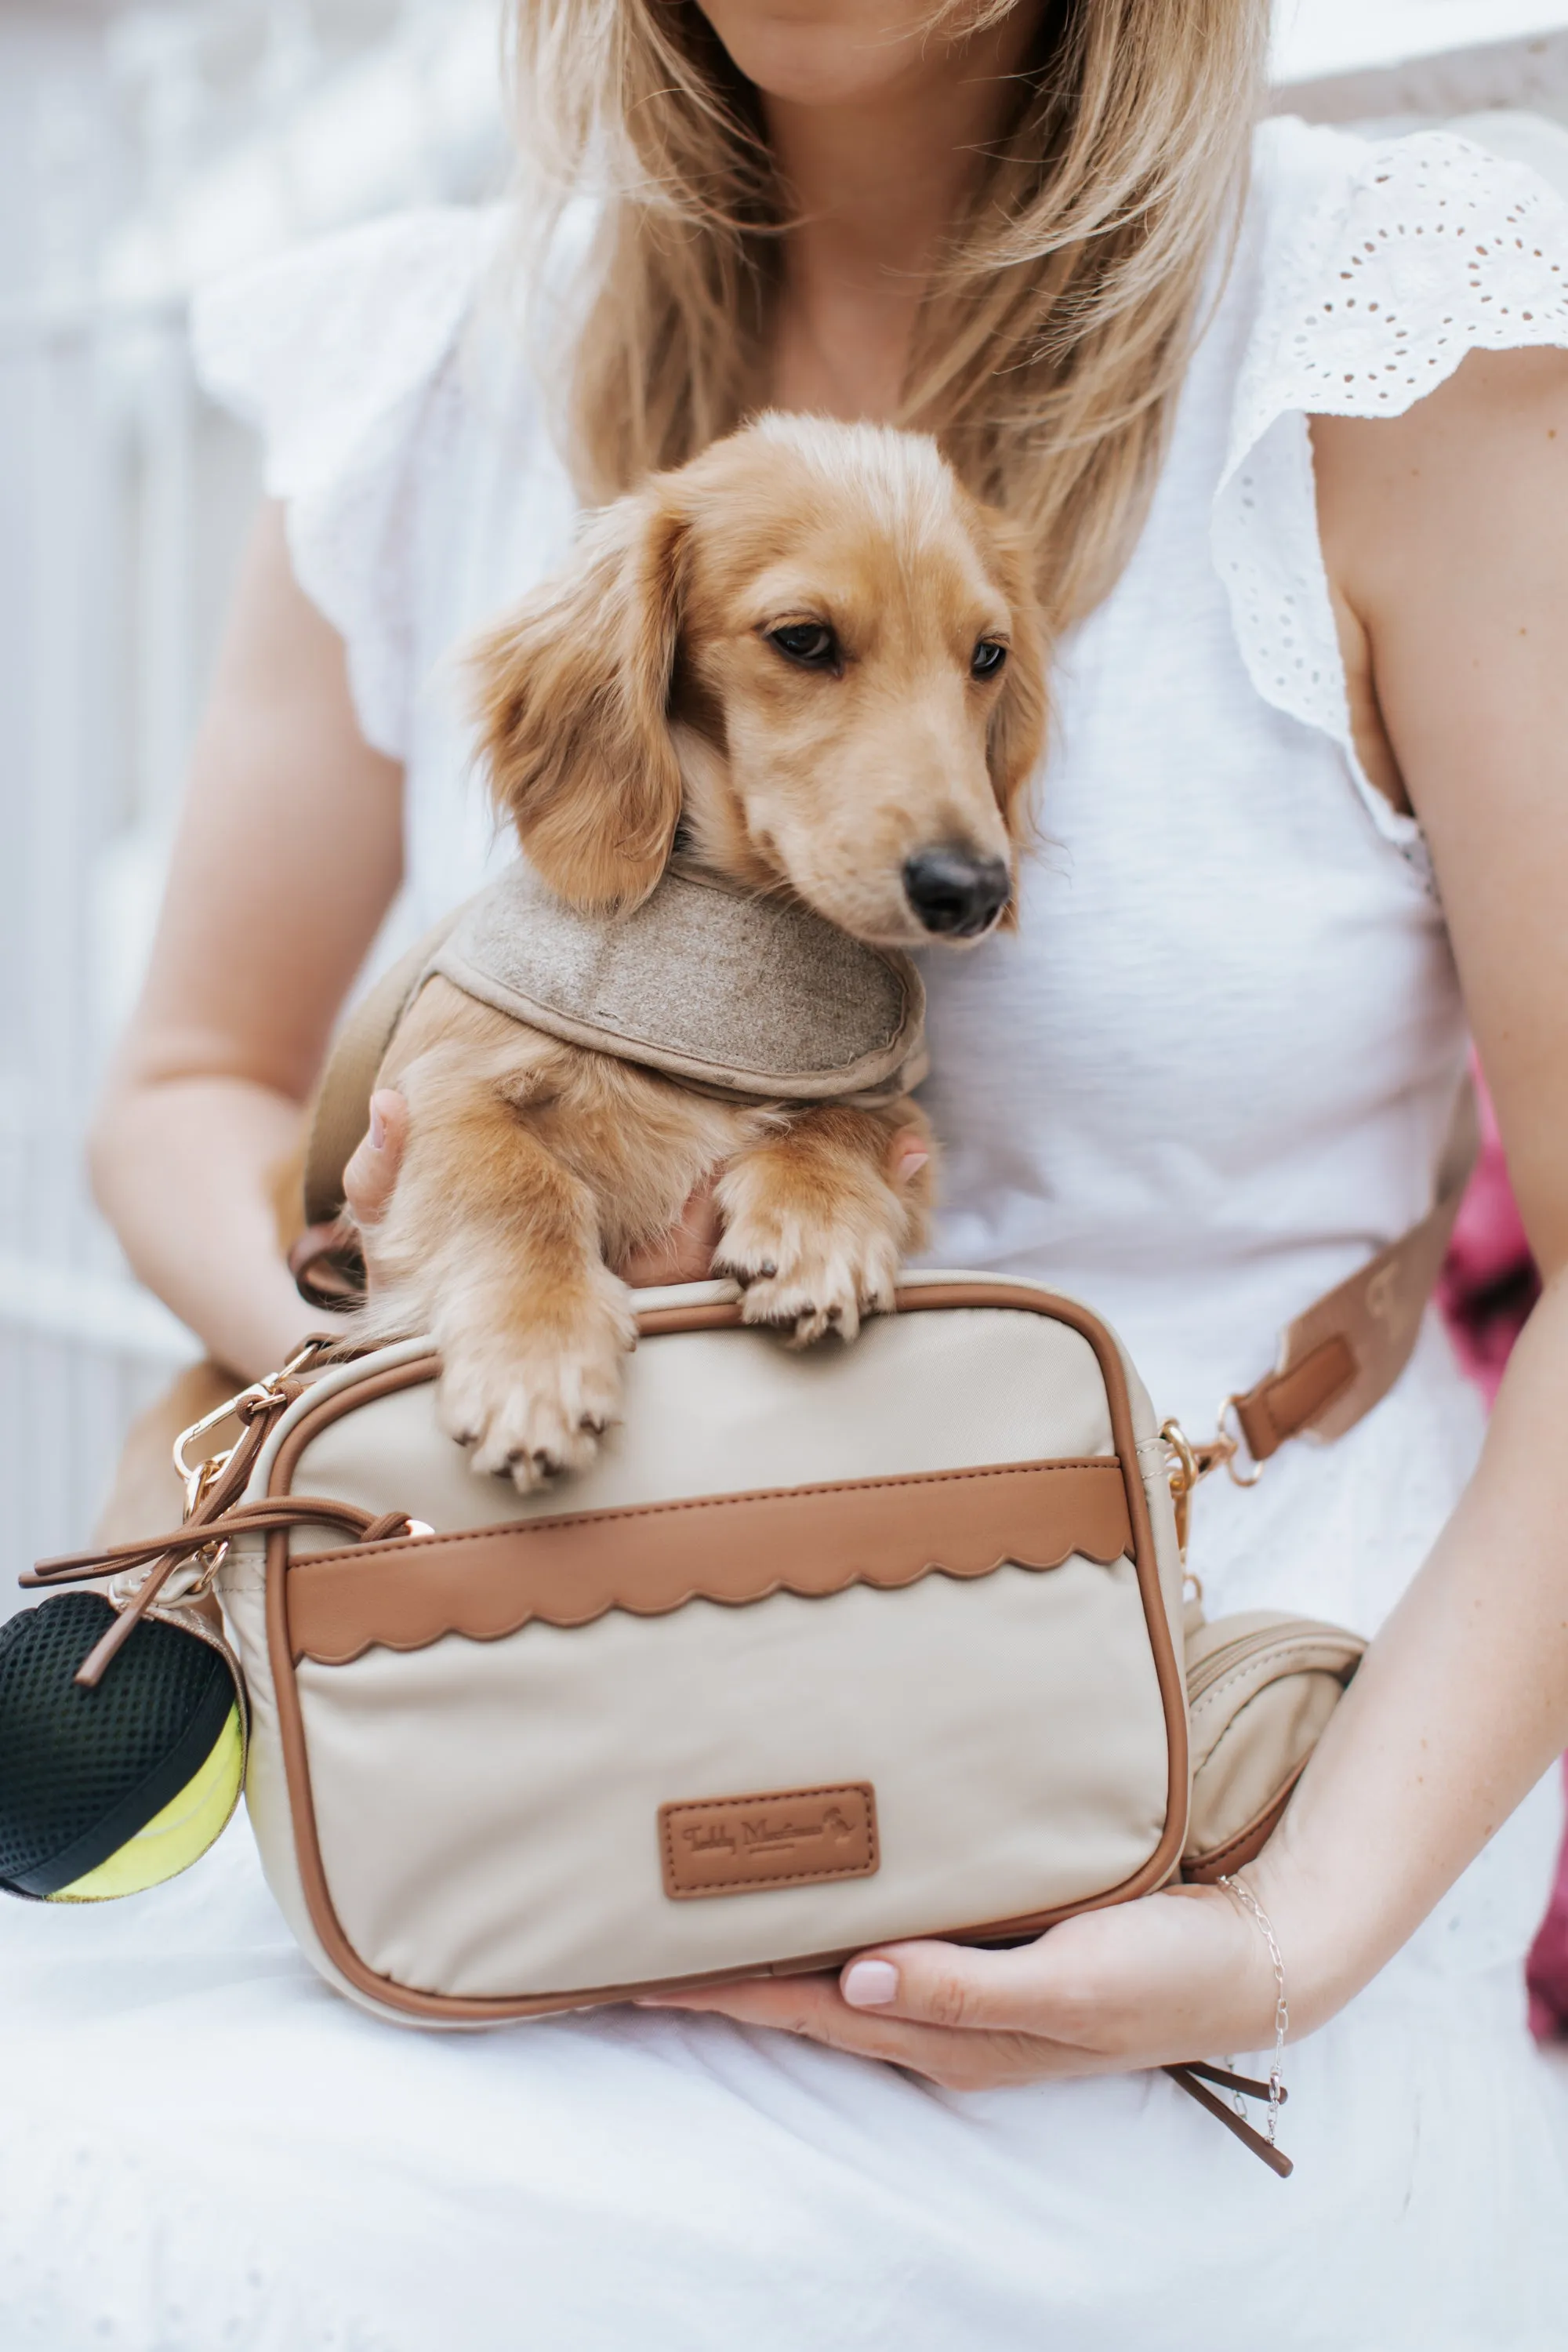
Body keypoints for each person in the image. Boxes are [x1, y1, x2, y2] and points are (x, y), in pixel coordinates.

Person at [4, 2, 1568, 2342]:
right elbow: (195, 1084)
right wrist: (425, 1332)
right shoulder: (433, 354)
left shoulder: (1398, 332)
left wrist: (1277, 1940)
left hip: (1188, 1748)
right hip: (498, 1672)